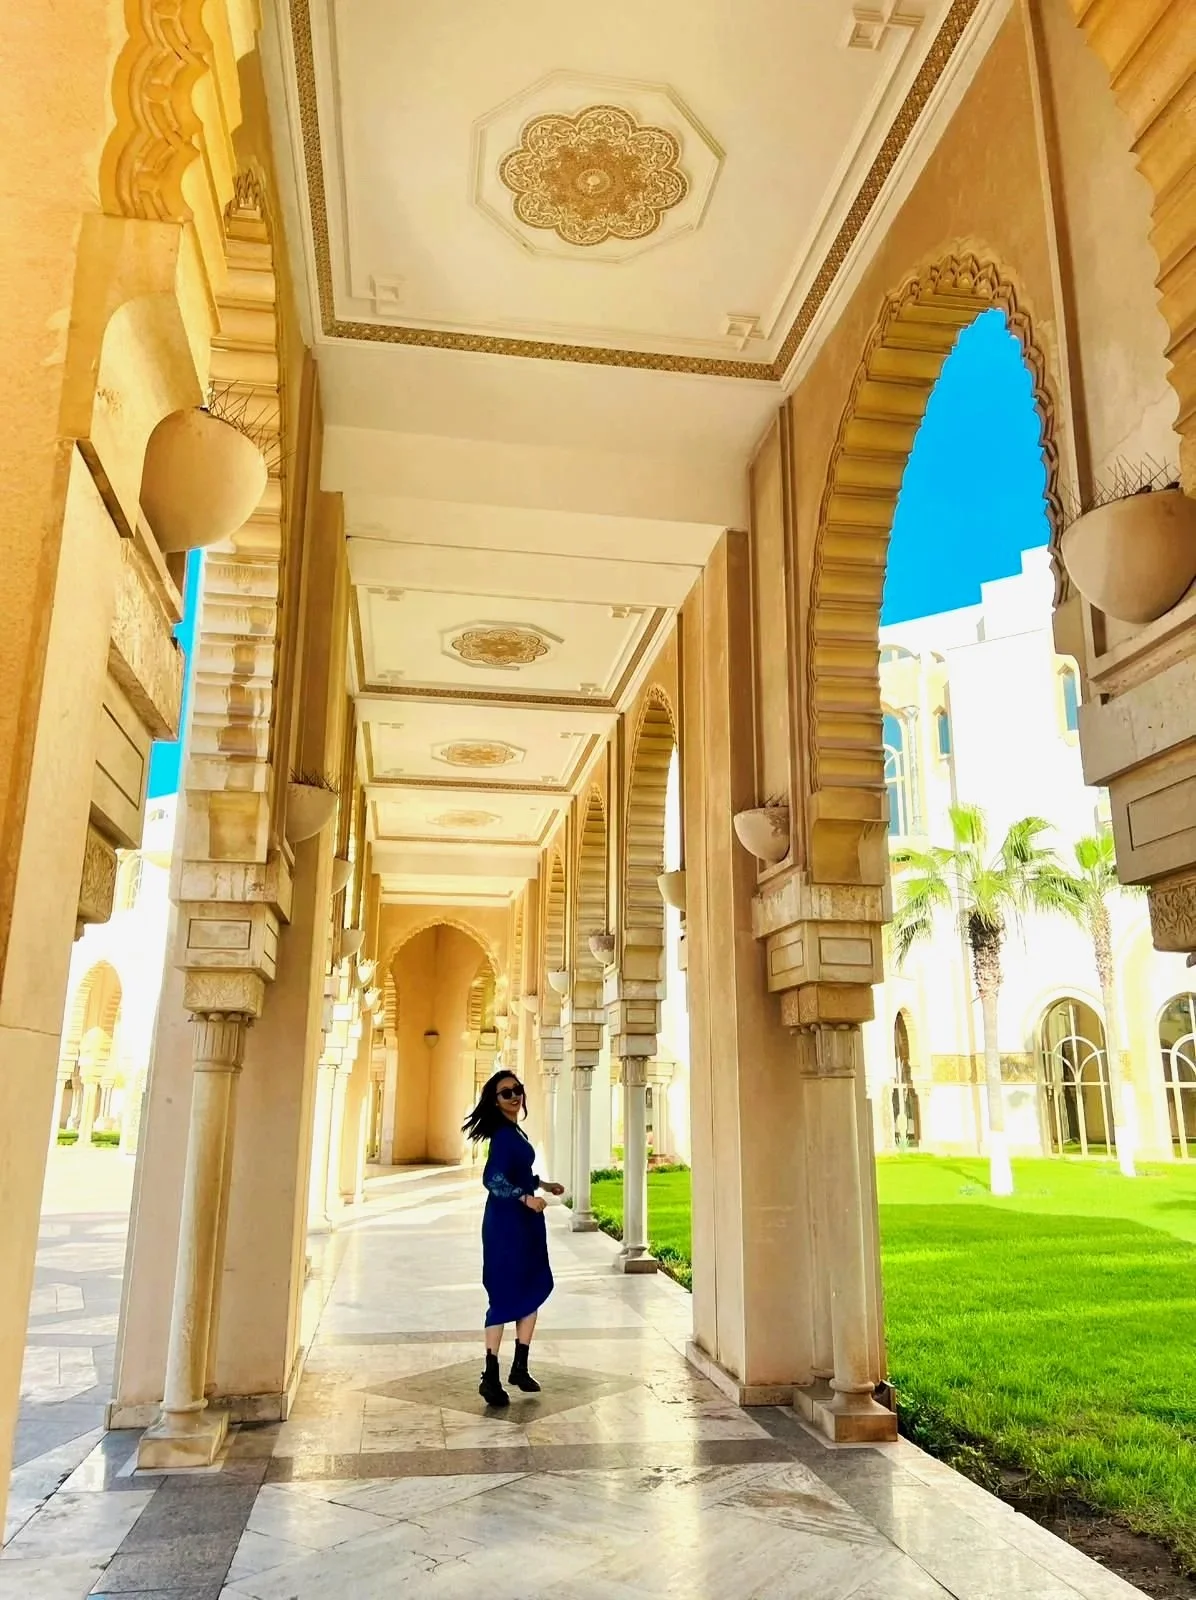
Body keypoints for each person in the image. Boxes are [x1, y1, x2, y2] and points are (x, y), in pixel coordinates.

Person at [462, 1070, 564, 1408]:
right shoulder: (503, 1135)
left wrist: (544, 1186)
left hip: (527, 1224)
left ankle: (519, 1367)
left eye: (517, 1090)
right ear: (495, 1100)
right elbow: (493, 1179)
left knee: (531, 1287)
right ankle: (490, 1376)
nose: (514, 1097)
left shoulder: (514, 1132)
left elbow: (519, 1175)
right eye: (506, 1093)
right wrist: (525, 1198)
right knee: (505, 1295)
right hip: (507, 1225)